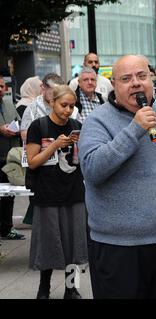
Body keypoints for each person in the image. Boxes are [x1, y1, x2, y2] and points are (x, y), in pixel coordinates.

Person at [78, 55, 156, 299]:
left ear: (151, 79)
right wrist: (135, 129)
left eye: (142, 76)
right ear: (113, 85)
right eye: (126, 79)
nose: (136, 83)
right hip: (119, 248)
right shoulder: (97, 120)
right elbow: (92, 170)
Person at [26, 85, 86, 299]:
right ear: (52, 102)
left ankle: (71, 288)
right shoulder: (38, 126)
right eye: (64, 105)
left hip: (74, 191)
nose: (68, 110)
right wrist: (54, 146)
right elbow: (32, 162)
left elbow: (83, 161)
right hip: (48, 193)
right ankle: (44, 288)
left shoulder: (76, 125)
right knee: (49, 242)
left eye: (71, 106)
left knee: (74, 242)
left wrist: (81, 145)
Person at [0, 76, 24, 240]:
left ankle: (7, 229)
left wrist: (16, 129)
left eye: (2, 86)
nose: (0, 89)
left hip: (9, 158)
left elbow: (20, 123)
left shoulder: (8, 103)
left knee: (9, 195)